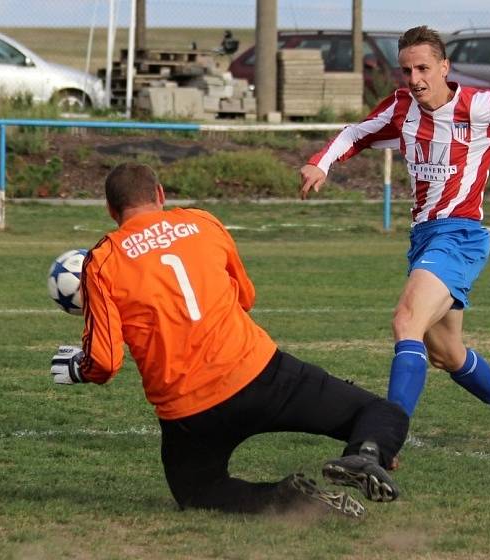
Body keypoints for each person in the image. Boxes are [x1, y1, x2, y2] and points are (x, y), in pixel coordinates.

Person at [299, 26, 490, 455]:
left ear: (445, 66)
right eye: (406, 70)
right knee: (444, 352)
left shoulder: (481, 106)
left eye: (423, 68)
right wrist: (321, 163)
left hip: (460, 234)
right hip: (424, 237)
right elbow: (356, 132)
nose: (415, 78)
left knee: (407, 321)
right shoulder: (403, 108)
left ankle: (382, 445)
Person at [49, 162, 409, 519]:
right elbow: (246, 297)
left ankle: (289, 499)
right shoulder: (202, 222)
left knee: (197, 490)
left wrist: (77, 368)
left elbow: (105, 361)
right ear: (161, 194)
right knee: (379, 412)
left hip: (190, 410)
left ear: (111, 210)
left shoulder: (103, 260)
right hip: (260, 375)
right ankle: (366, 454)